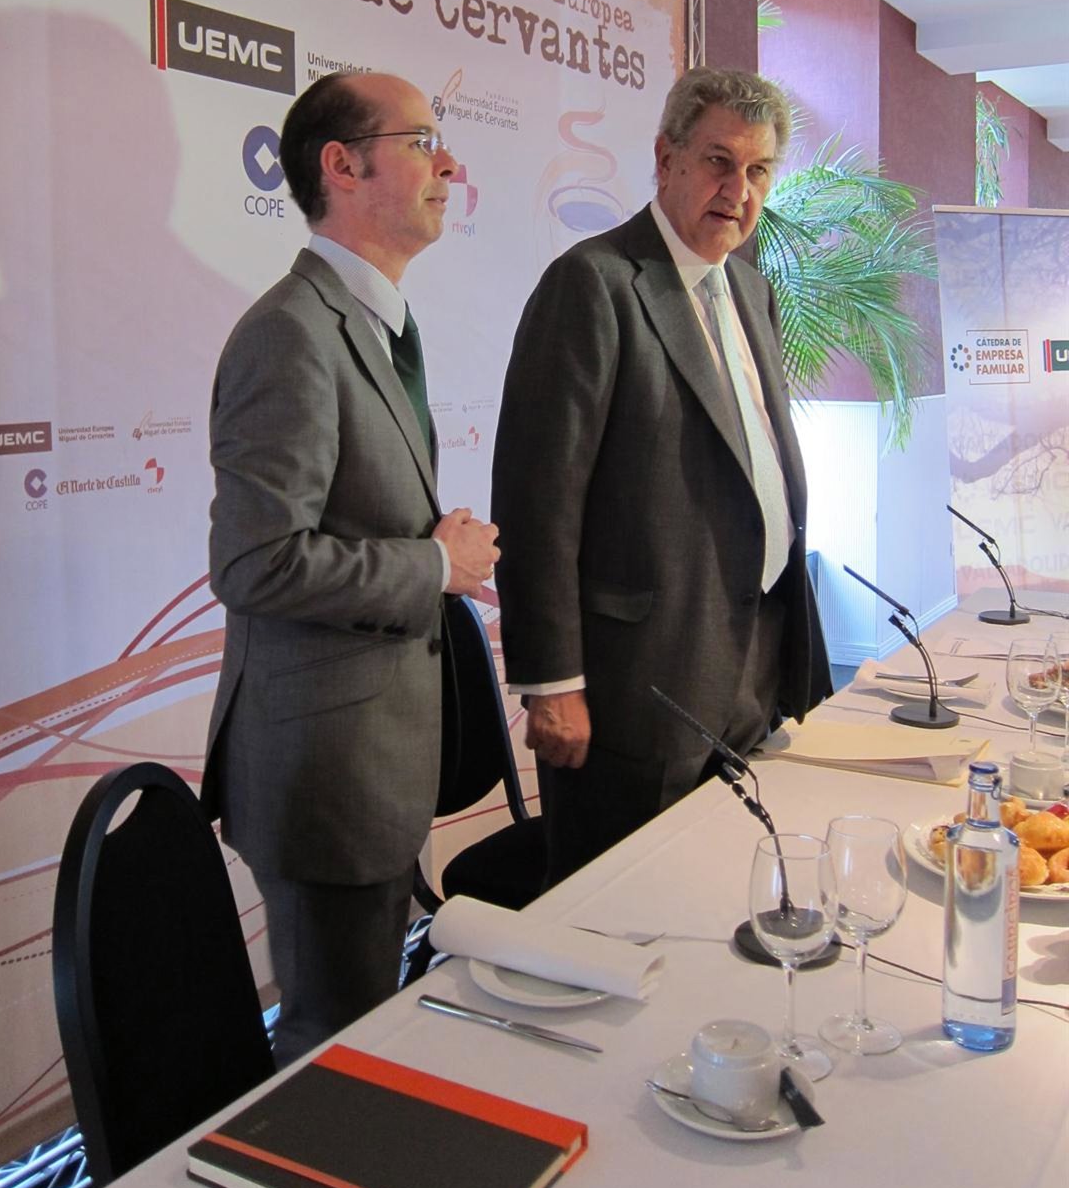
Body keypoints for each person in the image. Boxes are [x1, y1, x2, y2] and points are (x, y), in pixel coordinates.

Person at [203, 71, 499, 1065]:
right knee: (333, 1051)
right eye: (422, 141)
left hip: (375, 759)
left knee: (371, 1034)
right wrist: (434, 563)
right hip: (324, 776)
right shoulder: (288, 334)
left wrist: (429, 546)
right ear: (342, 165)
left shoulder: (373, 323)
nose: (449, 163)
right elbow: (257, 563)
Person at [491, 65, 830, 885]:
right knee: (623, 916)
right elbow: (538, 503)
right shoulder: (594, 284)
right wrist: (553, 683)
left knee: (727, 898)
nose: (738, 191)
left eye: (758, 171)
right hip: (637, 688)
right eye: (718, 161)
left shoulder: (750, 289)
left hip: (754, 663)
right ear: (666, 157)